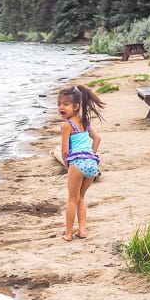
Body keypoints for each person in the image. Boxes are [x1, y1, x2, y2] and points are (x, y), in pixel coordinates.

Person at [56, 85, 105, 241]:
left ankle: (69, 234)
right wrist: (91, 155)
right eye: (59, 104)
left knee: (72, 199)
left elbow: (65, 151)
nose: (61, 107)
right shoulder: (85, 121)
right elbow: (97, 139)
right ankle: (82, 230)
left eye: (65, 104)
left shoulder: (67, 125)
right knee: (81, 197)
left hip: (77, 163)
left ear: (76, 106)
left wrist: (67, 165)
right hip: (92, 163)